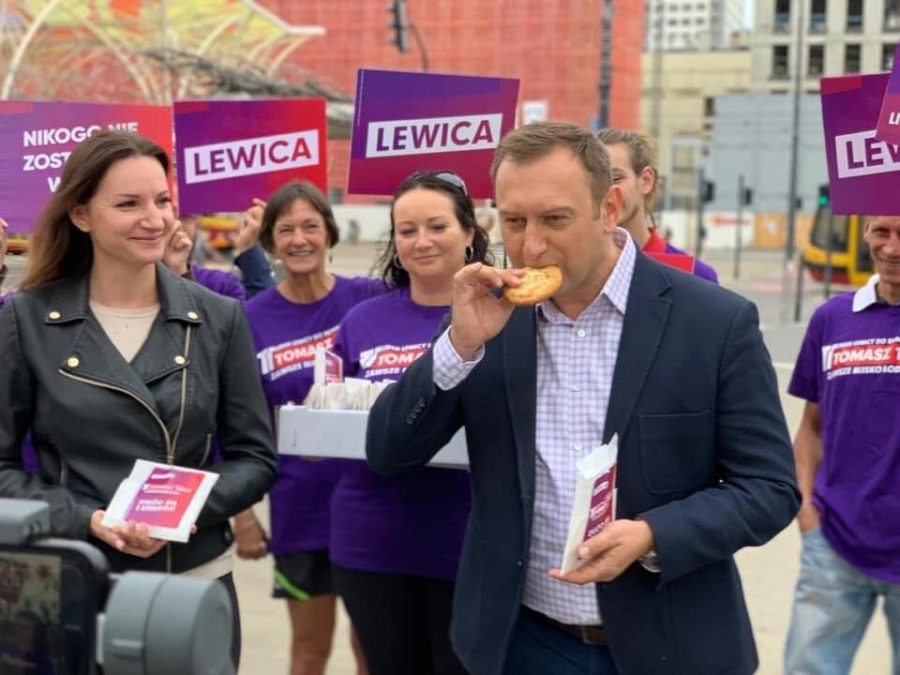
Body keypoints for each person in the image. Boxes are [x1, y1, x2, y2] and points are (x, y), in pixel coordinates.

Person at [366, 122, 800, 675]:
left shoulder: (714, 322)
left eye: (555, 219)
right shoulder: (487, 320)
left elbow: (769, 488)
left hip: (670, 645)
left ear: (609, 207)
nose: (531, 246)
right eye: (514, 221)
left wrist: (654, 535)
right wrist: (458, 347)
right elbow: (389, 452)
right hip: (521, 642)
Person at [0, 130, 278, 669]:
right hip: (71, 578)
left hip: (190, 582)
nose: (155, 220)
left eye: (162, 201)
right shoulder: (25, 319)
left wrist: (187, 509)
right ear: (81, 215)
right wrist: (88, 518)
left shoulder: (219, 318)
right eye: (129, 204)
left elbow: (255, 458)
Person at [331, 171, 492, 675]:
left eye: (437, 226)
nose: (421, 241)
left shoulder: (504, 316)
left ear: (470, 233)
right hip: (373, 540)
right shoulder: (362, 321)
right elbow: (333, 406)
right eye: (406, 230)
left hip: (470, 541)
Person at [237, 181, 379, 675]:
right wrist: (242, 517)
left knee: (374, 653)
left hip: (373, 506)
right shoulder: (250, 319)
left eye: (310, 227)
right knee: (309, 653)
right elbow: (237, 424)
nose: (299, 239)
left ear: (330, 234)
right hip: (300, 512)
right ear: (270, 242)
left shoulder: (368, 298)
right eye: (286, 230)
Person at [784, 215, 900, 675]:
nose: (891, 248)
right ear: (866, 231)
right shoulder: (832, 319)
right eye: (882, 232)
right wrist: (806, 512)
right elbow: (811, 427)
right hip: (833, 543)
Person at [596, 128, 718, 283]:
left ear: (646, 181)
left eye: (616, 178)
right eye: (595, 181)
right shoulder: (575, 270)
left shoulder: (696, 275)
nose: (606, 191)